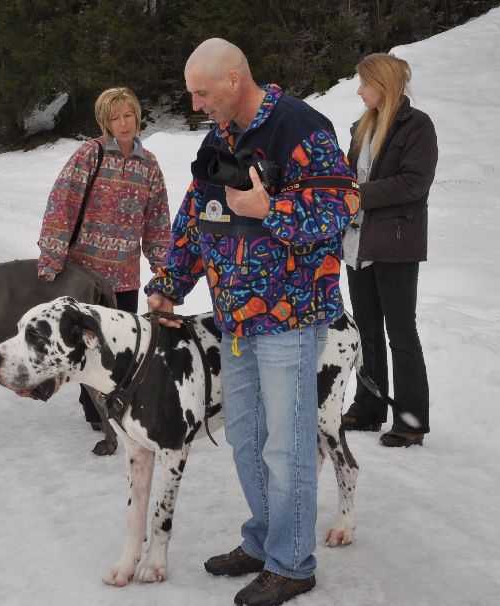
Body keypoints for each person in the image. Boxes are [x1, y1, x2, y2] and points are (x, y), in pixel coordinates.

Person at [144, 39, 358, 606]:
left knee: (287, 447)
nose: (195, 105)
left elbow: (341, 206)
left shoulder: (300, 128)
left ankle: (293, 563)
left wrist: (271, 209)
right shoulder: (219, 138)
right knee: (246, 440)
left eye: (201, 93)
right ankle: (265, 541)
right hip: (235, 319)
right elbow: (196, 219)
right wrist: (168, 286)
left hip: (291, 317)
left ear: (234, 79)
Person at [37, 86, 170, 430]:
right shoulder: (90, 154)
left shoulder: (149, 164)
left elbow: (156, 221)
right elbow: (62, 204)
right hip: (85, 274)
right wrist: (51, 258)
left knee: (121, 344)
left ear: (137, 116)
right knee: (88, 342)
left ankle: (114, 403)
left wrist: (164, 270)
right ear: (104, 122)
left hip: (125, 275)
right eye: (115, 118)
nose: (123, 123)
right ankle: (97, 411)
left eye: (128, 115)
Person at [340, 53, 438, 447]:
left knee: (401, 332)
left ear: (384, 84)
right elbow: (349, 178)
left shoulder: (417, 126)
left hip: (396, 244)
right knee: (366, 332)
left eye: (365, 83)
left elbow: (415, 182)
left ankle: (411, 422)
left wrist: (356, 194)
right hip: (357, 245)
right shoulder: (362, 127)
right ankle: (368, 407)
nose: (359, 91)